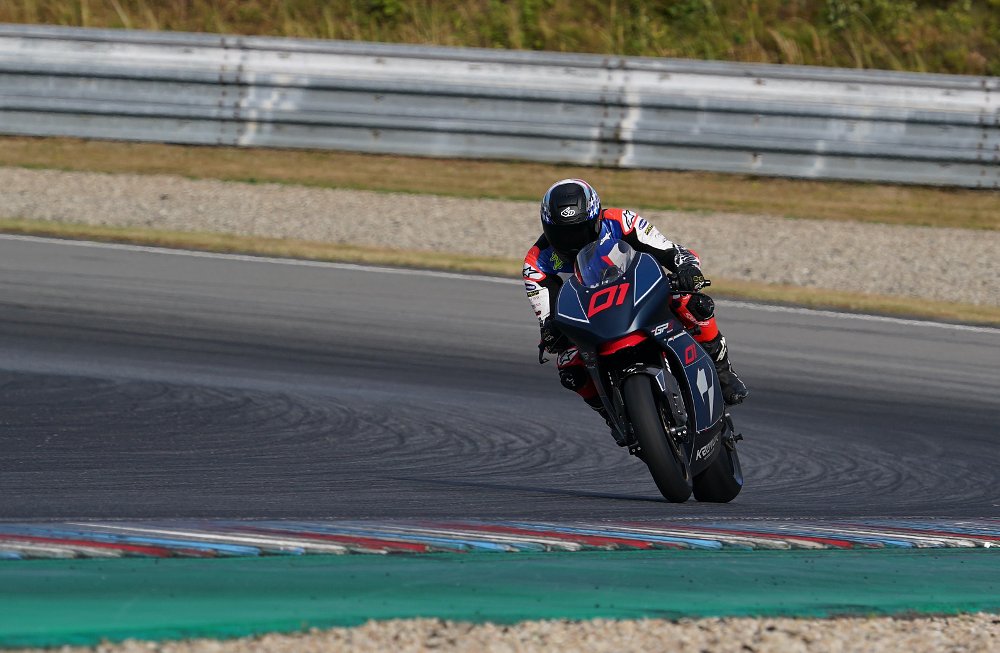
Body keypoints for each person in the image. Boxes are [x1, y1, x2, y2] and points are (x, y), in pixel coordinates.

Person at [523, 178, 749, 432]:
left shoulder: (622, 220)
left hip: (639, 293)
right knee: (568, 366)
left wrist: (686, 268)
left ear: (596, 218)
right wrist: (550, 331)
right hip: (591, 314)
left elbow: (671, 251)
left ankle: (722, 371)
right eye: (562, 234)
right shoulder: (537, 261)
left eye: (580, 230)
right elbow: (547, 313)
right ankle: (609, 413)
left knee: (694, 304)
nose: (572, 241)